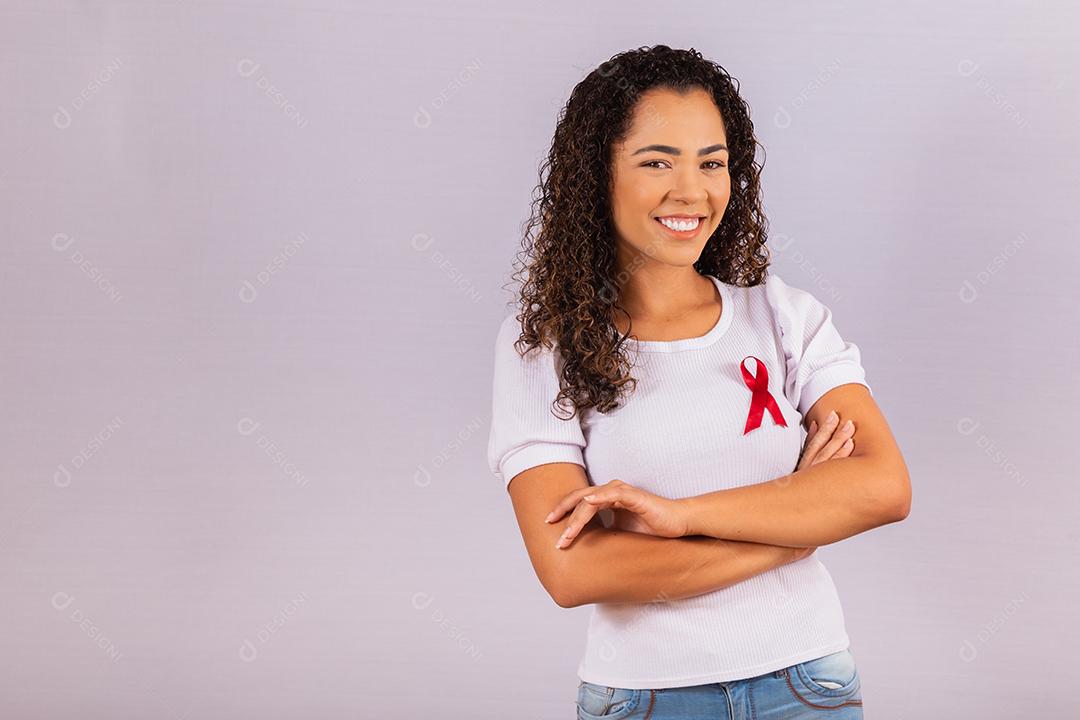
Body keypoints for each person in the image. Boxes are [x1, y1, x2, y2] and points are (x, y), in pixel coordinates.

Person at [486, 45, 911, 719]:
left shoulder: (785, 318)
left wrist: (680, 518)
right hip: (646, 697)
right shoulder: (542, 346)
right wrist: (794, 526)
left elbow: (883, 488)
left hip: (807, 687)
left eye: (712, 162)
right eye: (657, 161)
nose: (692, 190)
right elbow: (572, 571)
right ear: (597, 175)